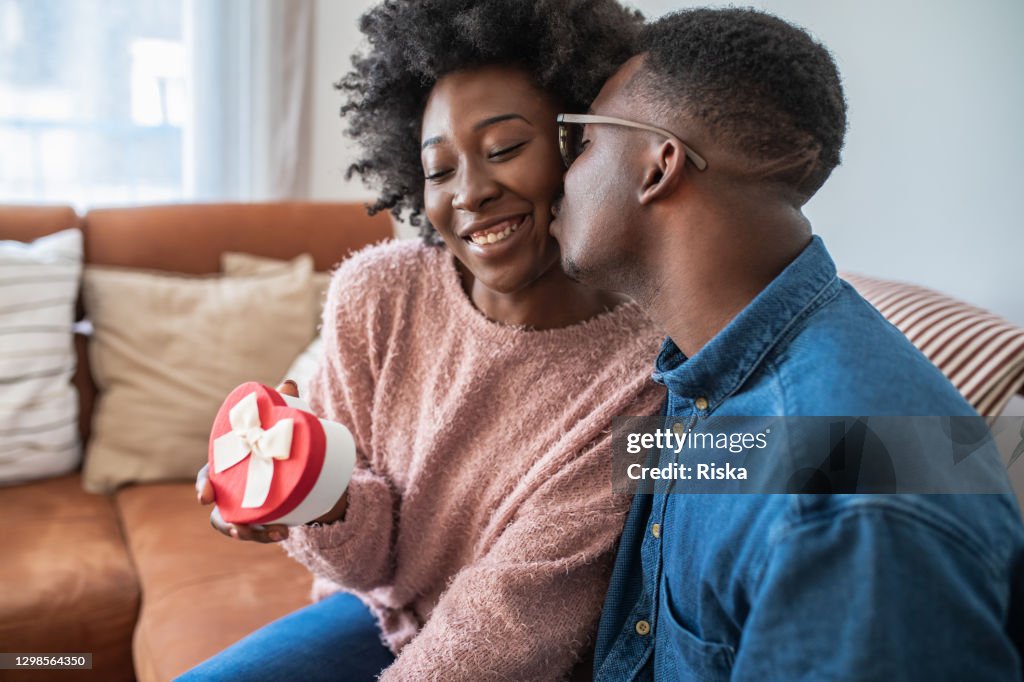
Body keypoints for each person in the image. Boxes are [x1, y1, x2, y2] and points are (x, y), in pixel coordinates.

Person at [179, 1, 664, 681]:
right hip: (376, 614)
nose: (469, 193)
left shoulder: (647, 373)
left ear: (582, 145)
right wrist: (319, 494)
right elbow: (367, 566)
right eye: (439, 169)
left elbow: (510, 626)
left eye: (503, 150)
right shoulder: (377, 294)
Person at [549, 8, 1024, 681]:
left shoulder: (846, 508)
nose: (558, 176)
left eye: (583, 140)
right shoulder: (700, 374)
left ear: (659, 164)